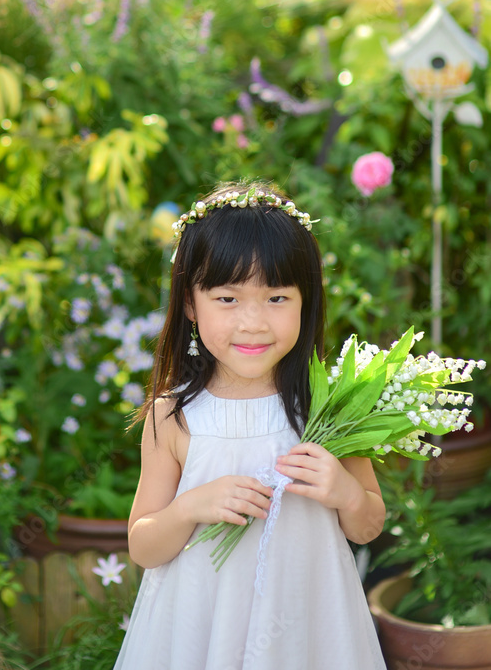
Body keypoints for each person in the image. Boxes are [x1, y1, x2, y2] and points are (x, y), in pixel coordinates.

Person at [113, 181, 387, 670]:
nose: (254, 322)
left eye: (277, 298)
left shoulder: (328, 409)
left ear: (307, 300)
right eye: (228, 299)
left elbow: (368, 525)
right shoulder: (172, 416)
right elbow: (143, 545)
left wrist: (345, 492)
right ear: (191, 304)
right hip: (200, 624)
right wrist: (189, 508)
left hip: (306, 627)